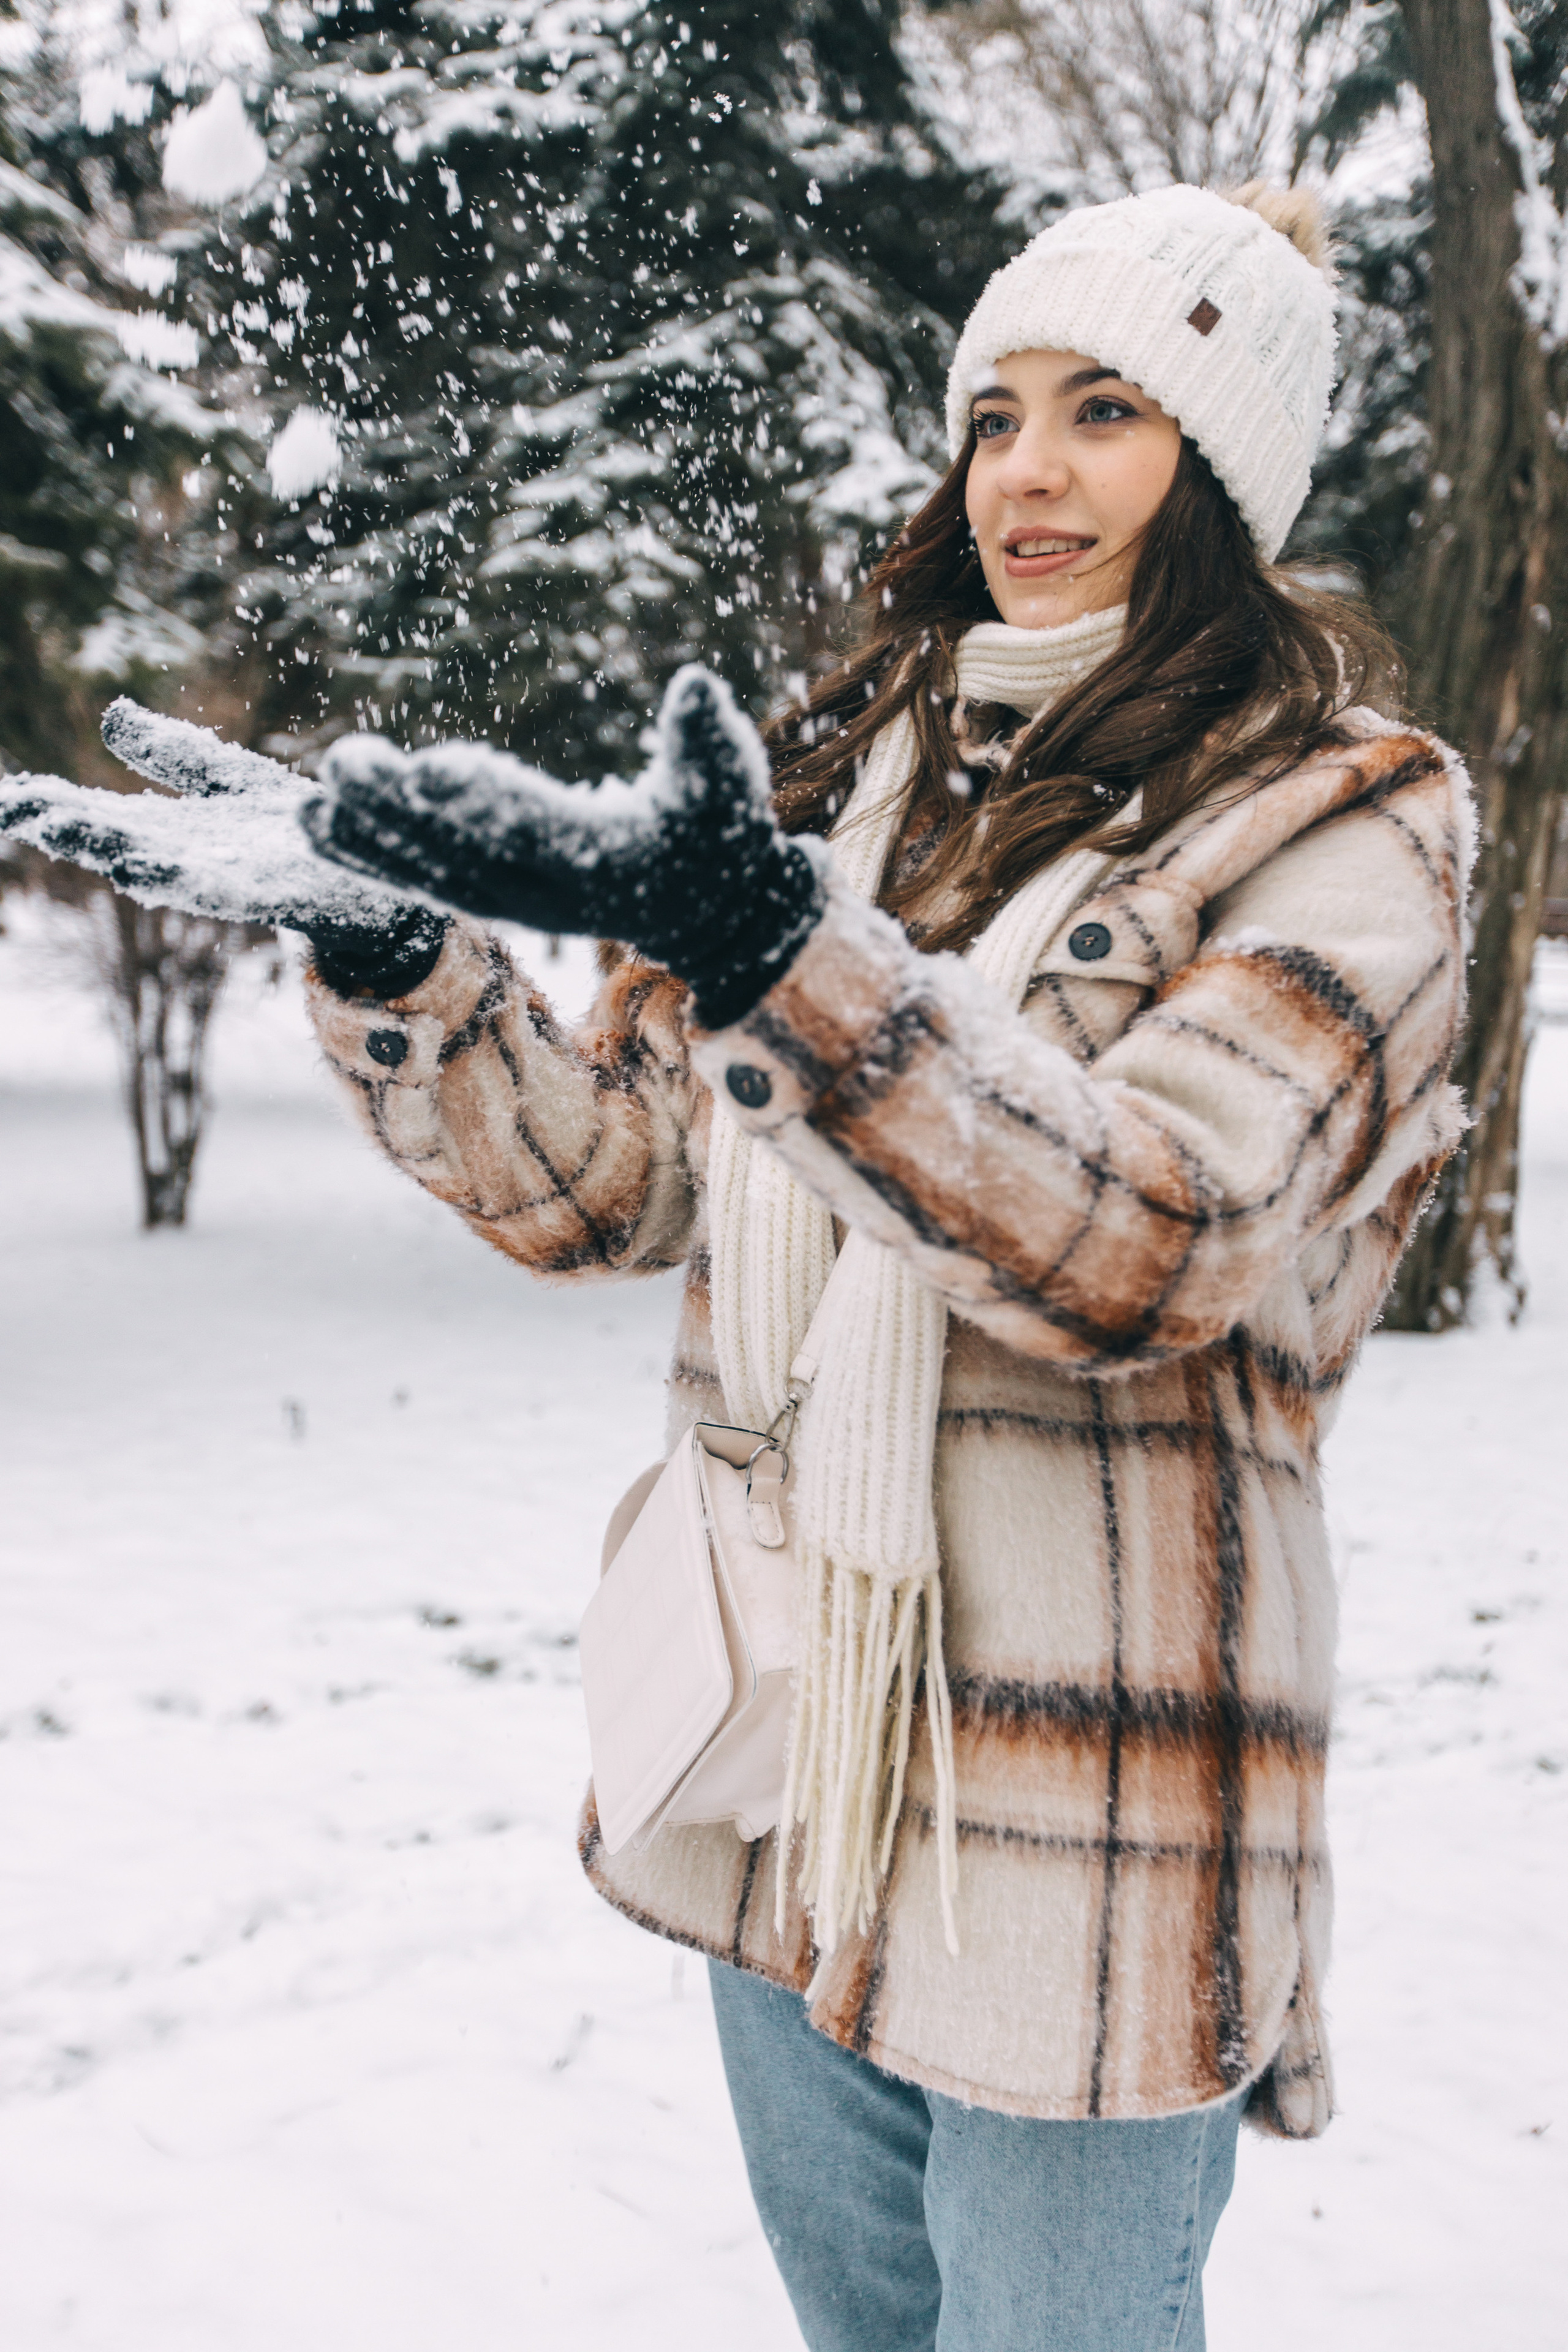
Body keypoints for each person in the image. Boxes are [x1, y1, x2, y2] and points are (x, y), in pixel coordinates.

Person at [1, 182, 1474, 2350]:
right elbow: (621, 1185)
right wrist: (403, 963)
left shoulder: (1347, 829)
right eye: (992, 417)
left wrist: (795, 967)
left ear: (1227, 469)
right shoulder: (863, 778)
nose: (1027, 477)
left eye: (1105, 414)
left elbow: (1153, 1234)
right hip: (795, 1746)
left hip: (1091, 1809)